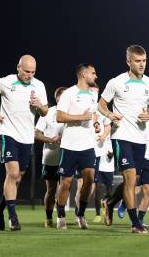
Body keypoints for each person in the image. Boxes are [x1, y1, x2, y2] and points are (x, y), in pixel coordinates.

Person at [0, 55, 49, 231]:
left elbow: (45, 112)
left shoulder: (39, 85)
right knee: (12, 174)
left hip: (27, 138)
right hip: (7, 134)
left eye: (33, 72)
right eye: (27, 71)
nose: (30, 75)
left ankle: (0, 208)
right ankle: (13, 217)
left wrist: (39, 105)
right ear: (18, 68)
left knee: (17, 178)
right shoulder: (5, 82)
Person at [99, 45, 149, 234]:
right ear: (128, 62)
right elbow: (101, 105)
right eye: (138, 61)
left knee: (133, 179)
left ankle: (110, 202)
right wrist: (109, 114)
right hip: (121, 136)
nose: (142, 65)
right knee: (130, 177)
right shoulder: (116, 82)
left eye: (144, 61)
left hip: (140, 138)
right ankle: (135, 223)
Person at [54, 64, 99, 230]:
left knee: (89, 180)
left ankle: (80, 214)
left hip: (88, 145)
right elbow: (59, 116)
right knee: (65, 183)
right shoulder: (69, 94)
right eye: (93, 73)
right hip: (70, 145)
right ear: (83, 74)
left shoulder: (93, 94)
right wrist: (80, 117)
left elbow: (93, 113)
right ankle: (60, 215)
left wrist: (95, 123)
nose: (95, 76)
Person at [34, 87, 66, 228]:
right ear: (58, 97)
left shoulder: (72, 113)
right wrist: (50, 140)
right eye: (63, 96)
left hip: (67, 156)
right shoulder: (48, 113)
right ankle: (48, 217)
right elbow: (37, 134)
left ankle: (61, 216)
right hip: (50, 157)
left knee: (64, 188)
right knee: (51, 189)